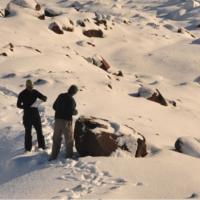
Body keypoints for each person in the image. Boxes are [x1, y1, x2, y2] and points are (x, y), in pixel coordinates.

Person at [49, 85, 78, 160]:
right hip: (66, 121)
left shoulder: (61, 96)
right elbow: (71, 111)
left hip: (58, 120)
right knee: (68, 139)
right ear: (74, 92)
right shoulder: (72, 100)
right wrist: (75, 112)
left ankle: (53, 156)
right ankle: (69, 156)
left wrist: (60, 110)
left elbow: (54, 106)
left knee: (56, 139)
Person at [17, 80, 47, 151]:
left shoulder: (35, 91)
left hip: (35, 114)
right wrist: (25, 106)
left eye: (31, 87)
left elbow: (43, 97)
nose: (31, 88)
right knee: (28, 133)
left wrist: (44, 98)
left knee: (39, 131)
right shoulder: (22, 94)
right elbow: (18, 105)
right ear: (26, 86)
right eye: (29, 87)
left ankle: (42, 147)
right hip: (27, 116)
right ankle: (28, 149)